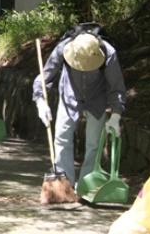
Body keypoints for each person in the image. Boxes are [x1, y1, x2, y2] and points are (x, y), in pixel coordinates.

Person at [33, 30, 126, 186]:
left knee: (94, 143)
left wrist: (116, 115)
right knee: (62, 138)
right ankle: (64, 183)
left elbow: (116, 88)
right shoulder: (63, 48)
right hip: (70, 94)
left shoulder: (109, 53)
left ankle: (86, 184)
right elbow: (44, 77)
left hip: (96, 97)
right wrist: (40, 102)